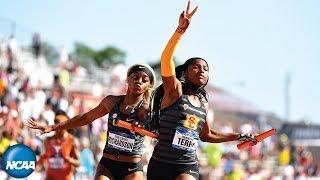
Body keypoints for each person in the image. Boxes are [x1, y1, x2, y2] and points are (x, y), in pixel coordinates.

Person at [147, 1, 256, 180]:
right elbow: (166, 59)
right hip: (161, 164)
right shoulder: (175, 90)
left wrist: (239, 136)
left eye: (205, 69)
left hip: (187, 165)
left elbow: (207, 135)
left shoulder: (203, 103)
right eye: (196, 67)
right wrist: (180, 31)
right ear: (185, 72)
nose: (202, 71)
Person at [27, 63, 156, 180]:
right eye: (135, 77)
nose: (139, 81)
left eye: (144, 80)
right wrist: (54, 127)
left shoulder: (146, 109)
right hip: (107, 165)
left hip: (131, 168)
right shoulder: (111, 102)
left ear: (148, 86)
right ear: (127, 79)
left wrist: (144, 126)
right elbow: (85, 118)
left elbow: (155, 129)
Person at [36, 110, 80, 180]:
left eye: (60, 127)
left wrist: (68, 159)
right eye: (56, 125)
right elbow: (45, 156)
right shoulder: (48, 140)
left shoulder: (72, 141)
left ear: (65, 126)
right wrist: (35, 165)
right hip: (50, 177)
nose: (57, 129)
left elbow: (78, 163)